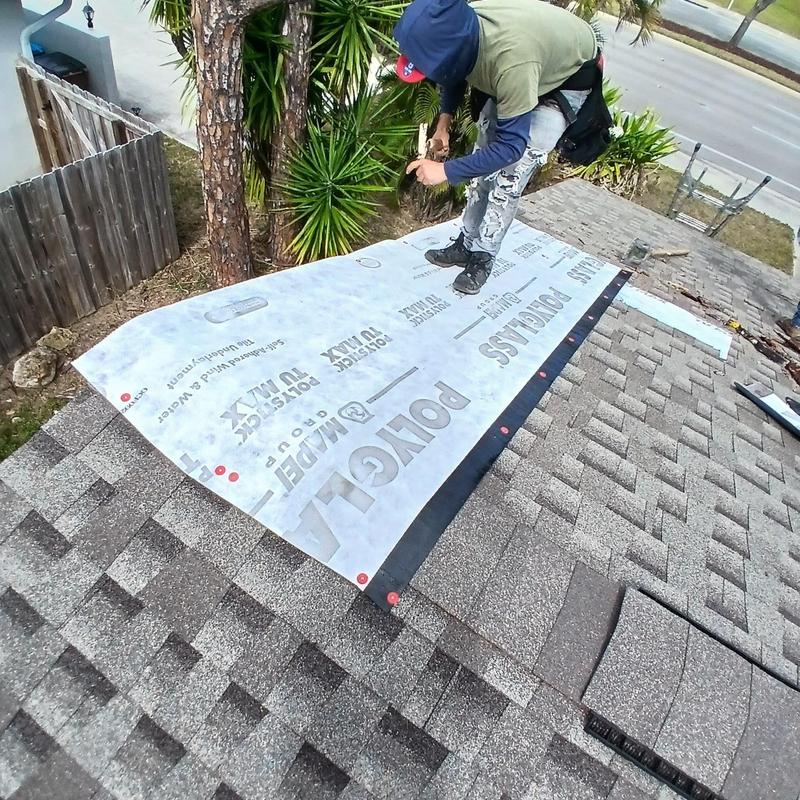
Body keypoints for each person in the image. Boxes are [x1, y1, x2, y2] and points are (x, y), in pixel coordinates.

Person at [394, 0, 600, 294]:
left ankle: (483, 256)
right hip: (530, 61)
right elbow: (451, 73)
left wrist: (445, 171)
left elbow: (511, 147)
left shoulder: (509, 61)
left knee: (509, 174)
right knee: (481, 165)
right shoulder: (460, 28)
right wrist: (443, 125)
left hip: (566, 79)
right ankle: (466, 243)